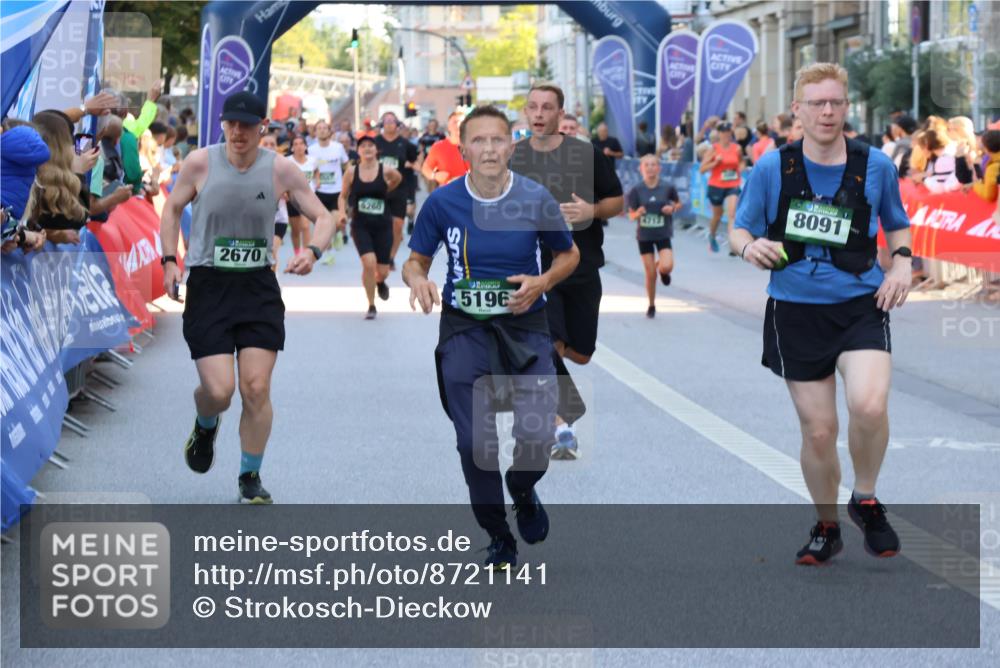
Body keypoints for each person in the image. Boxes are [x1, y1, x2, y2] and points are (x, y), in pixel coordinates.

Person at [729, 63, 912, 566]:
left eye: (836, 102)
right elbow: (739, 229)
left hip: (860, 304)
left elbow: (897, 227)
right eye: (817, 103)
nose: (827, 111)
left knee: (870, 406)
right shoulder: (772, 167)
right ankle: (827, 524)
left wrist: (901, 265)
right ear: (798, 110)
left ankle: (866, 498)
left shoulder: (875, 165)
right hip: (795, 310)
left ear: (846, 107)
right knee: (819, 431)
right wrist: (750, 249)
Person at [403, 104, 580, 569]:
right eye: (477, 141)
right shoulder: (442, 202)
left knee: (539, 436)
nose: (487, 149)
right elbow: (415, 260)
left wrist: (543, 282)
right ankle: (499, 536)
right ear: (463, 149)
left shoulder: (535, 198)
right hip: (465, 329)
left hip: (526, 327)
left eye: (496, 140)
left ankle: (522, 488)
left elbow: (569, 255)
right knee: (474, 444)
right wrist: (417, 280)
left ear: (511, 146)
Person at [159, 91, 338, 504]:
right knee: (220, 392)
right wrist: (170, 260)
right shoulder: (200, 162)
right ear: (222, 124)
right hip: (209, 284)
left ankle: (249, 476)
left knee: (256, 388)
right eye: (231, 124)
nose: (238, 132)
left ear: (263, 127)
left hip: (257, 286)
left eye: (247, 125)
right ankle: (206, 424)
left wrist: (312, 251)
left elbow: (324, 216)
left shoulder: (281, 170)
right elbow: (170, 210)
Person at [511, 84, 624, 460]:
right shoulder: (515, 157)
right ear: (526, 113)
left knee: (580, 353)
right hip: (538, 267)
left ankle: (557, 415)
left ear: (561, 114)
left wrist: (591, 212)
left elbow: (617, 201)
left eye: (547, 107)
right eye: (533, 107)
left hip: (583, 263)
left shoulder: (585, 153)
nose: (539, 113)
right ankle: (560, 423)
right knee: (547, 343)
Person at [338, 134, 402, 319]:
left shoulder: (386, 170)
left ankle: (380, 282)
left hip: (383, 225)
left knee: (382, 271)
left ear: (376, 150)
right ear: (358, 151)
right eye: (363, 146)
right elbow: (343, 196)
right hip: (360, 224)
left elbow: (397, 179)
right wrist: (342, 213)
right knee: (368, 262)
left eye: (370, 146)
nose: (367, 148)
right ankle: (371, 305)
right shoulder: (351, 172)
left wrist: (385, 190)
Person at [626, 154, 680, 317]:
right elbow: (630, 215)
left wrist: (672, 209)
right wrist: (638, 213)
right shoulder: (636, 190)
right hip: (645, 236)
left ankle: (662, 270)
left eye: (653, 165)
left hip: (663, 233)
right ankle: (651, 305)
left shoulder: (667, 187)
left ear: (659, 168)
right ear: (640, 169)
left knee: (667, 266)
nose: (650, 168)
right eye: (646, 165)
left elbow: (677, 203)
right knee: (650, 274)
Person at [374, 111, 419, 270]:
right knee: (378, 225)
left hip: (400, 189)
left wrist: (411, 165)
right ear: (381, 125)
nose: (389, 124)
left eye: (392, 121)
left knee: (397, 225)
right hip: (378, 189)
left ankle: (390, 258)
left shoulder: (405, 144)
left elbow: (418, 161)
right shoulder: (375, 142)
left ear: (397, 125)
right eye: (386, 121)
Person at [699, 121, 743, 253]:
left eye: (728, 132)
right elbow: (702, 169)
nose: (726, 135)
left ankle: (733, 245)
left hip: (733, 184)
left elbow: (740, 162)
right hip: (716, 185)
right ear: (719, 134)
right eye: (723, 132)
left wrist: (740, 168)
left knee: (732, 214)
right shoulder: (713, 149)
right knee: (717, 216)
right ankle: (712, 235)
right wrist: (715, 163)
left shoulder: (737, 148)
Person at [310, 120, 350, 250]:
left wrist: (349, 181)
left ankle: (336, 235)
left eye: (324, 128)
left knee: (337, 222)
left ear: (329, 131)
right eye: (319, 128)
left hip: (337, 191)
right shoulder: (311, 150)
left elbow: (347, 165)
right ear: (315, 132)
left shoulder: (338, 147)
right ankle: (328, 252)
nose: (322, 130)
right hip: (319, 192)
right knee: (324, 224)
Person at [286, 135, 320, 256]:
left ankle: (305, 256)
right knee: (296, 230)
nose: (299, 146)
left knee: (305, 226)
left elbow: (316, 171)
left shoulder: (312, 160)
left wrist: (318, 180)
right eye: (295, 144)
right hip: (292, 199)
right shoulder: (287, 161)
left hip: (308, 197)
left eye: (301, 143)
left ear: (305, 146)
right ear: (292, 148)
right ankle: (297, 253)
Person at [260, 134, 289, 271]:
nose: (269, 147)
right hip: (259, 219)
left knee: (272, 251)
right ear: (259, 145)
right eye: (265, 144)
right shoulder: (251, 166)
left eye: (272, 144)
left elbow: (291, 193)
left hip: (279, 218)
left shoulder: (283, 165)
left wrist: (284, 191)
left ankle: (273, 281)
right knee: (262, 254)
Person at [422, 110, 468, 188]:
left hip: (472, 194)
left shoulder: (476, 146)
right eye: (455, 122)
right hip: (448, 194)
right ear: (448, 127)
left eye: (462, 122)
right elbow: (425, 168)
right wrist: (434, 175)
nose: (458, 125)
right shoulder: (438, 146)